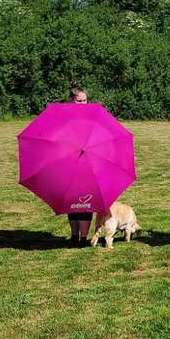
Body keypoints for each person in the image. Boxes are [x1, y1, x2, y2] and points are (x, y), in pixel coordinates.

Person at [67, 82, 92, 246]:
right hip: (70, 161)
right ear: (71, 100)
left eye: (85, 101)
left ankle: (83, 238)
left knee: (86, 201)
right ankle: (74, 235)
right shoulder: (65, 116)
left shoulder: (93, 115)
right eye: (79, 101)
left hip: (88, 161)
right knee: (71, 199)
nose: (83, 104)